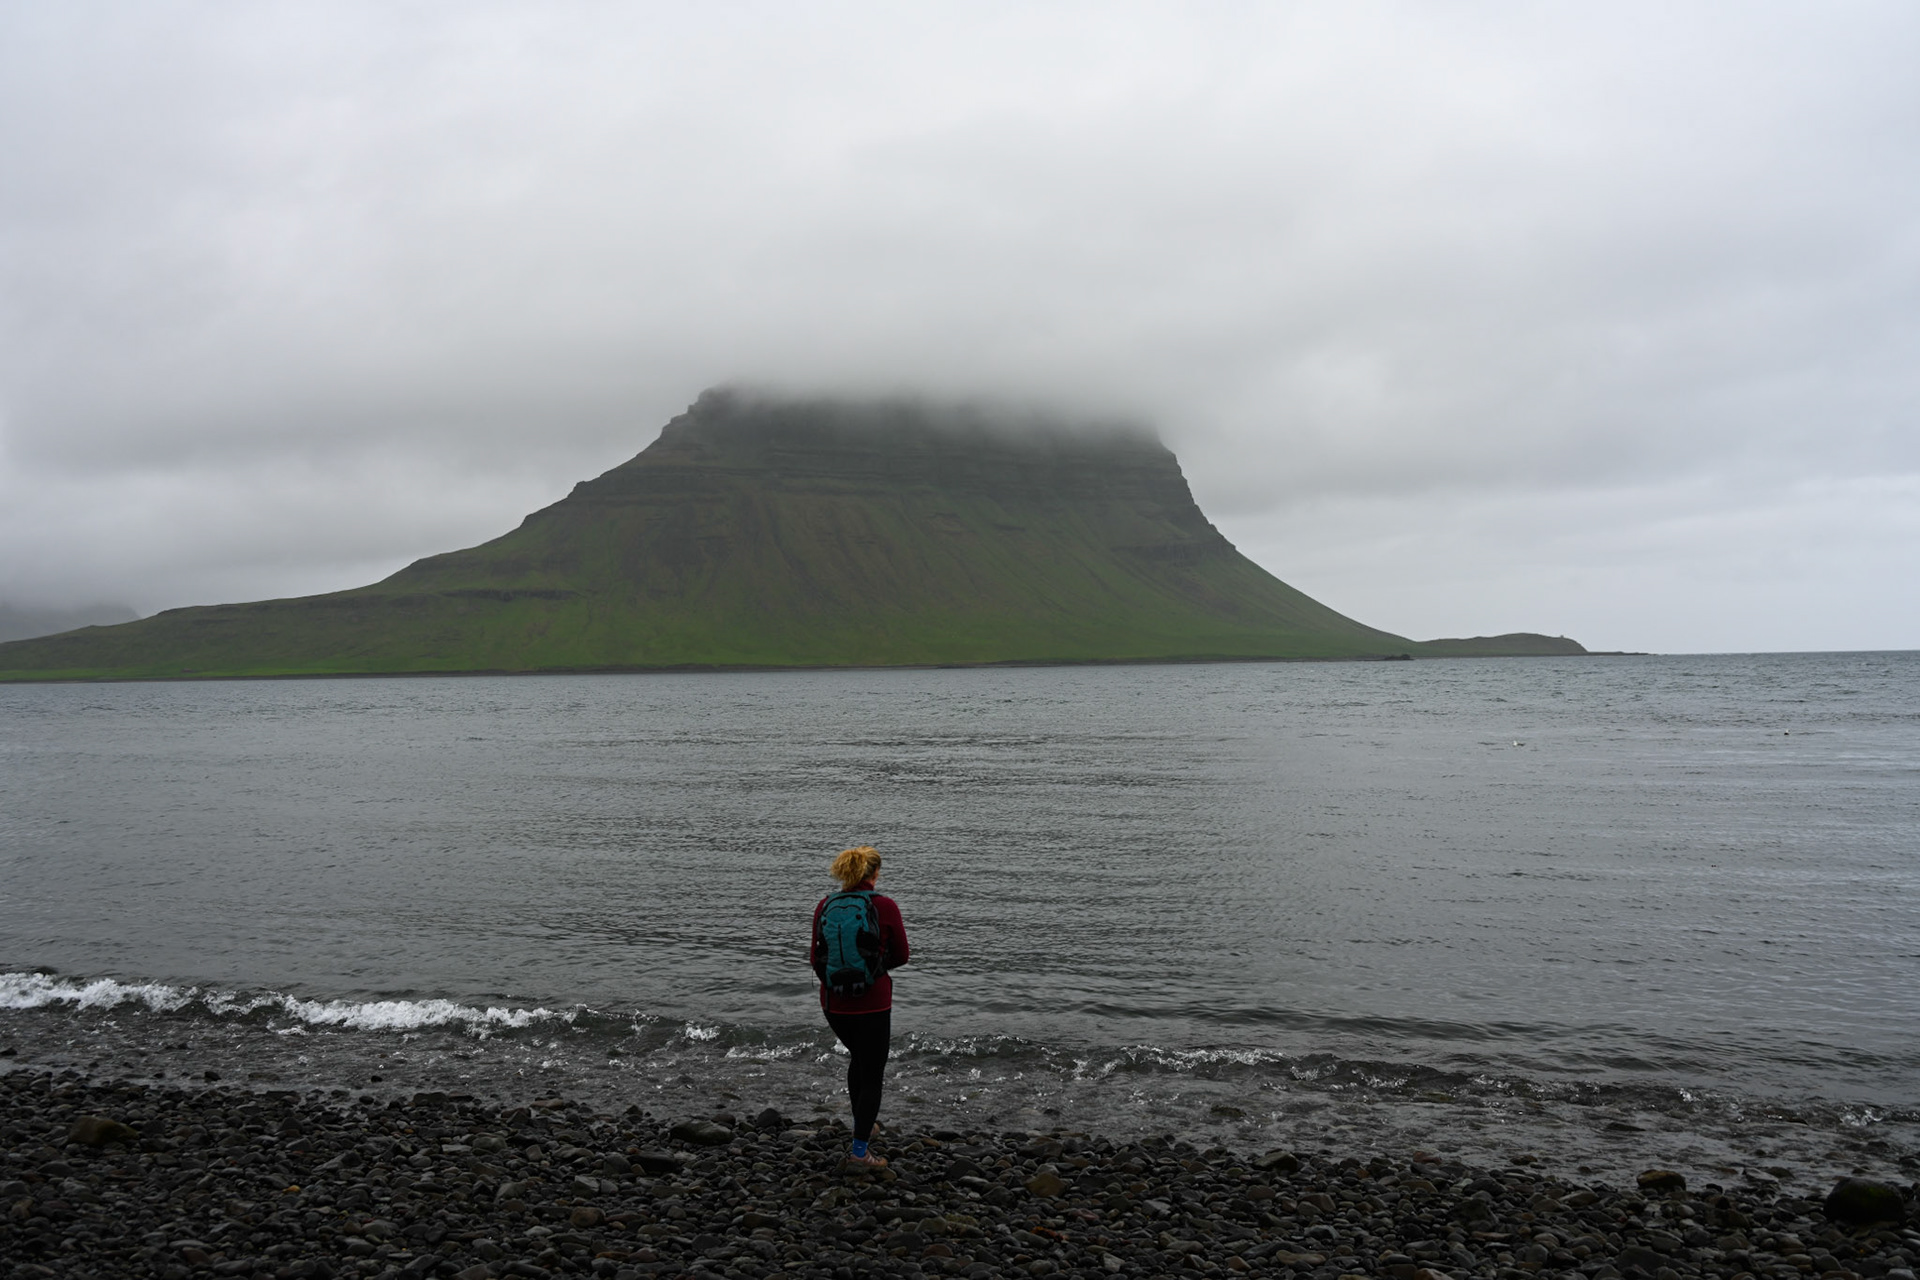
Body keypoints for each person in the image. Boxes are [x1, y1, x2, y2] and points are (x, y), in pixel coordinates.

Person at [808, 844, 910, 1168]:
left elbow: (816, 959)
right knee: (873, 1073)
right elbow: (902, 955)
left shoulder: (825, 904)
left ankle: (862, 1125)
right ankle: (860, 1152)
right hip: (872, 1004)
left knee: (859, 1059)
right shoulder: (885, 906)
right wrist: (872, 970)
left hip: (833, 1005)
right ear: (875, 872)